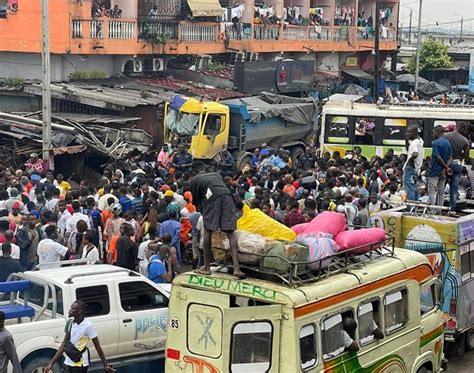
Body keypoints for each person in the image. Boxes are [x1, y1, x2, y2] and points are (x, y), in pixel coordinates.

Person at [190, 162, 245, 278]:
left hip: (213, 199)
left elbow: (196, 202)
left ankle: (206, 267)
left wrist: (205, 215)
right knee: (230, 233)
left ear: (194, 172)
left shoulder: (195, 180)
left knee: (208, 231)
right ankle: (237, 268)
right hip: (228, 198)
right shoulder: (216, 175)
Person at [45, 300, 114, 373]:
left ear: (79, 311)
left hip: (80, 363)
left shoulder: (88, 326)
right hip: (68, 361)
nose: (70, 310)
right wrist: (51, 364)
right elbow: (64, 344)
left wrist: (105, 364)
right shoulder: (70, 323)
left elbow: (97, 346)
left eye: (72, 309)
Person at [444, 122, 470, 215]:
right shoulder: (465, 140)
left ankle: (438, 206)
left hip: (445, 164)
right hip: (457, 164)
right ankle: (452, 209)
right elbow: (467, 156)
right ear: (462, 129)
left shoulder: (445, 136)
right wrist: (460, 155)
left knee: (441, 186)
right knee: (454, 188)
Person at [428, 126, 452, 210]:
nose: (433, 134)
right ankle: (439, 209)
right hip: (443, 171)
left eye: (433, 133)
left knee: (432, 190)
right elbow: (450, 157)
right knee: (441, 190)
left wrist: (445, 167)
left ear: (438, 132)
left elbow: (437, 157)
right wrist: (446, 167)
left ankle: (432, 210)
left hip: (435, 170)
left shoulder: (435, 143)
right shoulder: (448, 143)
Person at [403, 125, 424, 202]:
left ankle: (410, 207)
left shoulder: (414, 144)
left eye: (409, 132)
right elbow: (409, 148)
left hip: (410, 169)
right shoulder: (420, 140)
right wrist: (406, 139)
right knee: (415, 188)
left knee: (409, 188)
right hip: (416, 169)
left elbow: (415, 154)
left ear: (415, 133)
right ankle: (415, 206)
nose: (407, 133)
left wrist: (409, 160)